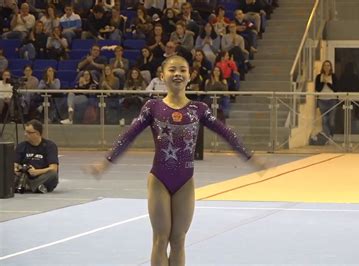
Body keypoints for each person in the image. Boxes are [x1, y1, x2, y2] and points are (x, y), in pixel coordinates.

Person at [85, 55, 264, 265]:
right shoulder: (153, 107)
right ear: (162, 76)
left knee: (178, 240)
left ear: (190, 76)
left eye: (182, 70)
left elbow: (226, 133)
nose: (177, 74)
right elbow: (128, 135)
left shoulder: (199, 109)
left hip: (185, 181)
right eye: (172, 70)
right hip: (159, 179)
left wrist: (250, 157)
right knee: (161, 239)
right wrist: (107, 161)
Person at [14, 119, 59, 193]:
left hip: (41, 176)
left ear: (37, 133)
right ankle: (36, 187)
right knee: (7, 173)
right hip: (24, 176)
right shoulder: (21, 146)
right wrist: (19, 169)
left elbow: (54, 168)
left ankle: (27, 186)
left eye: (28, 132)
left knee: (53, 175)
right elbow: (14, 164)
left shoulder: (50, 146)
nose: (25, 134)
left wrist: (36, 172)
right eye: (25, 131)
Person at [315, 60, 338, 142]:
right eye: (325, 65)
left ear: (330, 67)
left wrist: (327, 82)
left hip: (332, 100)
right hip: (322, 100)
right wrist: (323, 82)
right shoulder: (318, 76)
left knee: (331, 121)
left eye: (328, 65)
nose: (326, 67)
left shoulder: (333, 76)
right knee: (324, 121)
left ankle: (332, 135)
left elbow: (336, 89)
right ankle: (327, 138)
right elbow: (318, 89)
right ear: (323, 67)